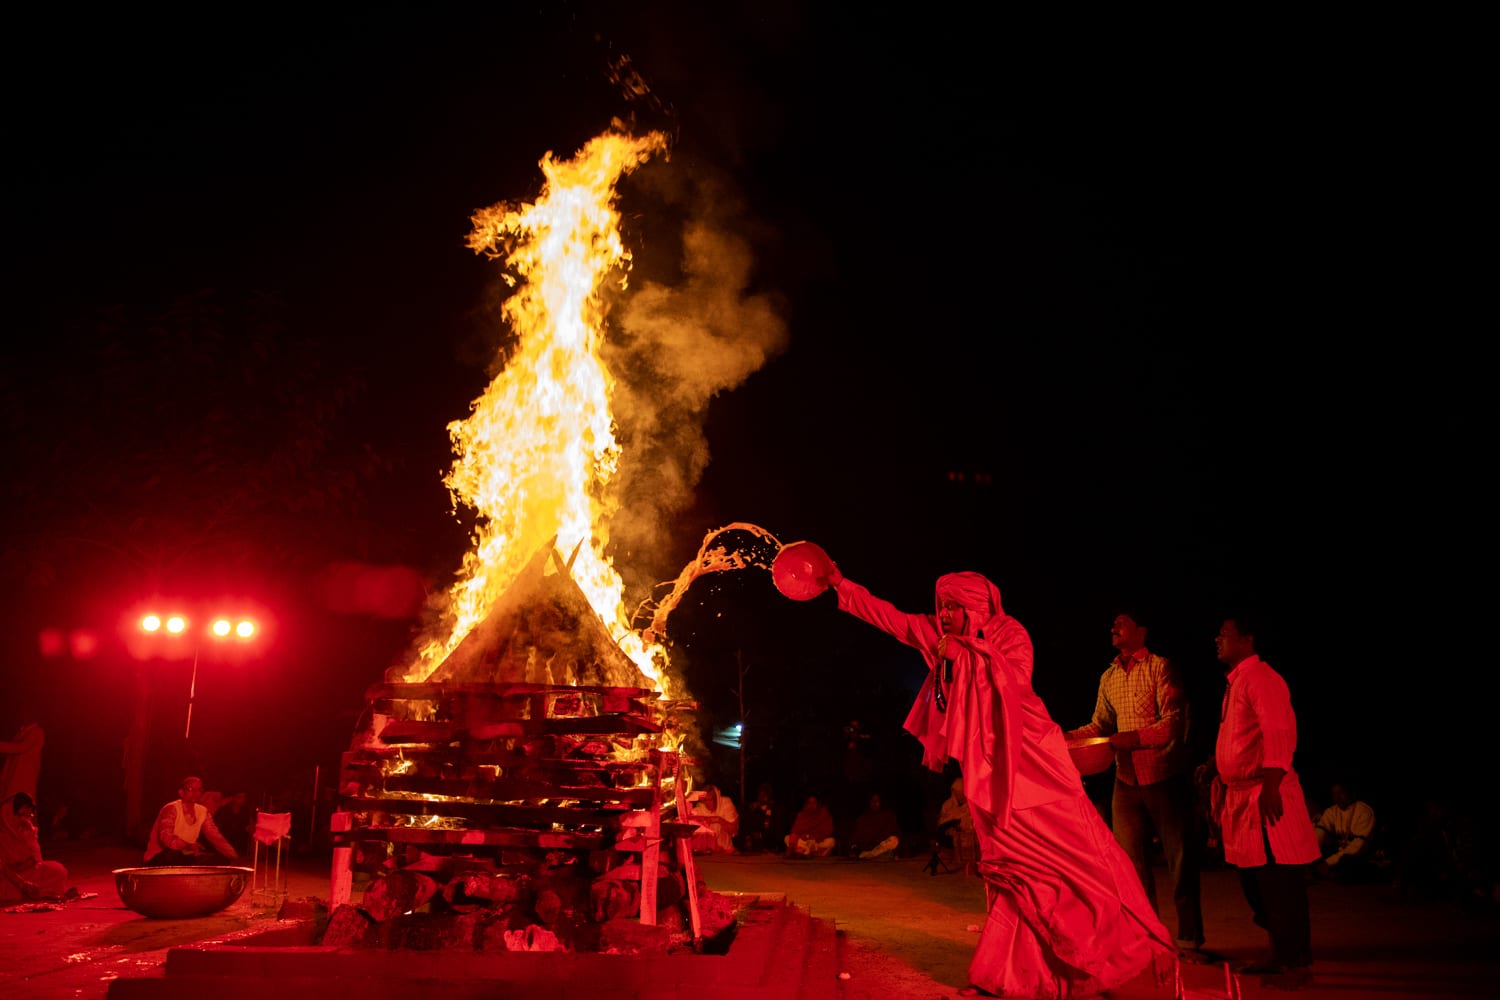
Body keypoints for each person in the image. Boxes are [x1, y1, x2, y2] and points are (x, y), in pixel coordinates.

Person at [818, 559, 1173, 998]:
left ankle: (1114, 955)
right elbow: (893, 619)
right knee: (1013, 871)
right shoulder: (943, 637)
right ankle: (1011, 975)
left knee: (1071, 862)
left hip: (1033, 765)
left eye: (953, 606)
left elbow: (1015, 681)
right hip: (988, 769)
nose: (943, 614)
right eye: (941, 605)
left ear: (975, 606)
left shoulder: (1008, 633)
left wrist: (965, 655)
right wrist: (839, 583)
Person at [1064, 609, 1207, 962]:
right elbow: (1100, 724)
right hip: (1126, 780)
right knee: (1130, 866)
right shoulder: (1109, 676)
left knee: (1180, 860)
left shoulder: (1161, 668)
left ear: (1142, 630)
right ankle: (1147, 938)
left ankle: (1190, 940)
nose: (1113, 627)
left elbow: (1173, 722)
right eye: (1113, 623)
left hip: (1164, 775)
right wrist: (1067, 736)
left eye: (1122, 623)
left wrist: (1134, 738)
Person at [1196, 614, 1319, 991]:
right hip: (1243, 796)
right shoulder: (1237, 683)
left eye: (1225, 634)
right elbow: (1243, 737)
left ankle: (1297, 963)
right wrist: (1218, 765)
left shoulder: (1262, 678)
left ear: (1247, 640)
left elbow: (1278, 729)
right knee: (1257, 885)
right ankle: (1278, 951)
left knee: (1280, 884)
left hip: (1265, 793)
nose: (1217, 639)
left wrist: (1272, 783)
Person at [144, 776, 241, 865]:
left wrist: (233, 855)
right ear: (181, 792)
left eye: (199, 790)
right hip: (161, 857)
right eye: (191, 789)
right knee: (172, 854)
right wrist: (187, 845)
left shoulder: (202, 811)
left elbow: (215, 836)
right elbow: (165, 838)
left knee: (221, 860)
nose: (196, 793)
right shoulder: (171, 808)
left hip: (185, 857)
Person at [1, 791, 71, 902]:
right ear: (10, 813)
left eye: (28, 816)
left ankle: (36, 893)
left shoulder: (26, 829)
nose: (24, 819)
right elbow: (3, 867)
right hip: (8, 878)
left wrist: (30, 837)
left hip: (27, 873)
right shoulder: (2, 833)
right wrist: (21, 883)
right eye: (21, 815)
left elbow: (37, 859)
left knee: (58, 870)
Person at [1313, 781, 1378, 883]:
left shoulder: (1364, 812)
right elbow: (1320, 833)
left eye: (1341, 793)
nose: (1337, 798)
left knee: (1346, 863)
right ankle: (1330, 874)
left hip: (1359, 856)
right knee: (1313, 855)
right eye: (1334, 794)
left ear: (1352, 793)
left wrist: (1328, 863)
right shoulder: (1331, 811)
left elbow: (1358, 847)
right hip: (1338, 854)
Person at [935, 774, 979, 876]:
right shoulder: (948, 804)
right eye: (957, 794)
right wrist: (948, 829)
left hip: (965, 832)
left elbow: (971, 820)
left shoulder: (971, 805)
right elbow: (942, 820)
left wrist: (959, 827)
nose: (960, 796)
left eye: (961, 794)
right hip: (948, 832)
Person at [847, 792, 901, 859]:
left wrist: (878, 840)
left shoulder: (888, 815)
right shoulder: (863, 818)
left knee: (894, 840)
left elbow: (892, 832)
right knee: (863, 853)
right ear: (869, 803)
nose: (875, 803)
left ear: (881, 802)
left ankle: (873, 856)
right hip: (869, 849)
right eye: (872, 801)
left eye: (877, 801)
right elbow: (856, 837)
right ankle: (872, 855)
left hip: (881, 846)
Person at [687, 784, 739, 855]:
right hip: (708, 855)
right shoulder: (700, 808)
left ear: (716, 798)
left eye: (710, 799)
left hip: (727, 852)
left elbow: (734, 830)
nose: (707, 803)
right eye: (705, 800)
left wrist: (718, 820)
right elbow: (688, 822)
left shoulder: (726, 804)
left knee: (716, 825)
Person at [784, 794, 836, 858]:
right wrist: (802, 837)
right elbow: (795, 830)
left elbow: (827, 831)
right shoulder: (801, 815)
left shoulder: (823, 813)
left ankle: (802, 851)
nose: (812, 805)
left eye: (814, 802)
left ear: (818, 804)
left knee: (831, 841)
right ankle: (811, 852)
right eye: (810, 803)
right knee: (787, 838)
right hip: (803, 841)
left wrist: (813, 837)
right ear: (806, 804)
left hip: (816, 841)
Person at [213, 791, 256, 857]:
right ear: (233, 798)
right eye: (240, 797)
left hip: (241, 841)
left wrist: (249, 828)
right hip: (226, 839)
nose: (243, 800)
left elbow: (250, 825)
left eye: (244, 798)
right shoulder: (224, 809)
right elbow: (217, 822)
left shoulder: (247, 811)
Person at [740, 782, 779, 853]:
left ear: (769, 796)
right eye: (760, 795)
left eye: (764, 795)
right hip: (755, 845)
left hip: (769, 844)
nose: (761, 798)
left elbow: (776, 831)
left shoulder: (775, 810)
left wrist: (761, 835)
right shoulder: (755, 810)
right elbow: (747, 826)